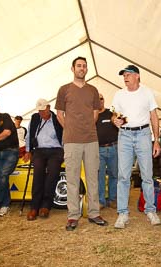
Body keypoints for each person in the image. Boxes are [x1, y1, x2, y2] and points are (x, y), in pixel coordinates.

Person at [55, 56, 107, 231]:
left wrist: (87, 128)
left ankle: (94, 213)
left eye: (84, 66)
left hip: (91, 140)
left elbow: (95, 113)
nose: (82, 68)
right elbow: (59, 114)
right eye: (79, 66)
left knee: (93, 177)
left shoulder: (93, 90)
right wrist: (70, 128)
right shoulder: (64, 90)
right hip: (71, 141)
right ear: (72, 69)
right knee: (72, 179)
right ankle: (73, 216)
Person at [112, 65, 161, 229]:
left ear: (137, 76)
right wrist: (115, 120)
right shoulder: (119, 94)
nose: (125, 77)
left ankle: (150, 210)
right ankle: (122, 213)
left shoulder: (147, 93)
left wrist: (156, 140)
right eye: (124, 75)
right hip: (125, 135)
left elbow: (154, 116)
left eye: (128, 74)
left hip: (143, 134)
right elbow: (115, 115)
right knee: (123, 176)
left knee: (147, 175)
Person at [23, 99, 64, 221]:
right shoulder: (35, 118)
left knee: (52, 174)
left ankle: (46, 205)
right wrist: (28, 150)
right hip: (39, 150)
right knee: (38, 174)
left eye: (43, 110)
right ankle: (34, 206)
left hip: (55, 150)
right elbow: (29, 135)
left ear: (49, 107)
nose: (41, 112)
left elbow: (65, 135)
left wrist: (65, 150)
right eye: (39, 110)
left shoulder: (58, 118)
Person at [96, 93, 118, 209]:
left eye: (101, 99)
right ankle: (100, 201)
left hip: (114, 148)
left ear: (104, 100)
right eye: (97, 99)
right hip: (98, 150)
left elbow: (121, 125)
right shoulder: (92, 116)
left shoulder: (111, 114)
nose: (100, 101)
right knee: (100, 176)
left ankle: (112, 199)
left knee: (114, 174)